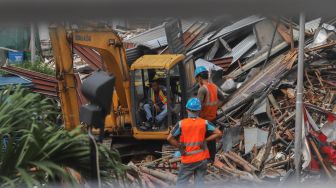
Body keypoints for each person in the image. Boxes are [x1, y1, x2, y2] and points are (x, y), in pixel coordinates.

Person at [167, 98, 222, 186]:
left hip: (188, 159)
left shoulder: (181, 124)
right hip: (202, 159)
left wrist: (180, 147)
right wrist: (206, 140)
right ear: (199, 111)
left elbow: (169, 138)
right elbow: (218, 133)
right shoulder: (205, 123)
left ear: (187, 110)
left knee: (181, 184)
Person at [194, 66, 225, 163]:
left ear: (199, 78)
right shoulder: (214, 87)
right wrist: (216, 106)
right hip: (213, 117)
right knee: (211, 141)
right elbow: (223, 98)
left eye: (196, 79)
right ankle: (211, 159)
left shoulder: (202, 89)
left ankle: (203, 159)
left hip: (204, 119)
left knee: (201, 140)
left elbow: (197, 106)